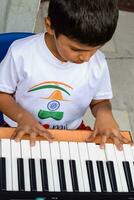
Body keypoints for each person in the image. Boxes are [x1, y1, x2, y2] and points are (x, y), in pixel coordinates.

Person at [0, 0, 130, 149]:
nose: (86, 58)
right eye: (76, 49)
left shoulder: (97, 62)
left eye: (94, 50)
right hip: (22, 128)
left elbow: (99, 101)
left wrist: (105, 114)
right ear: (49, 26)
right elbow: (2, 93)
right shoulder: (21, 54)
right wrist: (22, 117)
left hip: (70, 131)